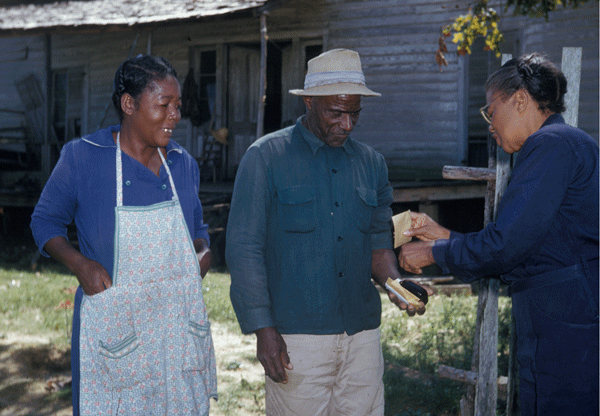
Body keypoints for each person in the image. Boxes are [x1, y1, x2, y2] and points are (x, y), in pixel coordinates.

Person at [225, 48, 432, 416]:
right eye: (335, 112)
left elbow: (378, 245)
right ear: (309, 101)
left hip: (362, 337)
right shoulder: (266, 157)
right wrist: (263, 330)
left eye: (355, 113)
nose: (347, 124)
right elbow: (244, 250)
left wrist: (396, 286)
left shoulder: (372, 164)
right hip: (296, 338)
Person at [399, 53, 598, 416]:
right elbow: (523, 244)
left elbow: (505, 247)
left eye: (491, 111)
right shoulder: (564, 144)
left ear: (519, 99)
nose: (490, 125)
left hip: (568, 326)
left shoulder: (551, 144)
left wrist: (431, 253)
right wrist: (439, 233)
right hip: (564, 316)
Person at [30, 55, 217, 415]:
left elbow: (197, 230)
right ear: (129, 104)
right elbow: (45, 221)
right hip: (117, 329)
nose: (175, 116)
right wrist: (80, 264)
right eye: (164, 105)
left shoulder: (182, 164)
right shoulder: (84, 158)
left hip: (176, 327)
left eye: (177, 106)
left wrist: (202, 250)